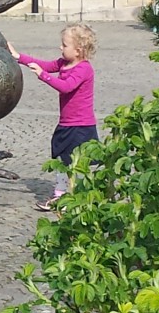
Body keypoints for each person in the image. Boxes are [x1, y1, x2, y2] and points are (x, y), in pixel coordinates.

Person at [7, 23, 98, 212]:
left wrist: (44, 76)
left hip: (80, 126)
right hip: (66, 124)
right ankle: (61, 195)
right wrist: (19, 58)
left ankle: (77, 196)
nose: (61, 48)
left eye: (65, 45)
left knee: (77, 163)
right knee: (61, 160)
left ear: (78, 50)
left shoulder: (83, 69)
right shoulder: (64, 63)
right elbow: (45, 64)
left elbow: (66, 86)